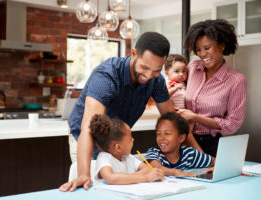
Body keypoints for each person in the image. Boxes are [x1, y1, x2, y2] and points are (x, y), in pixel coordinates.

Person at [60, 32, 175, 192]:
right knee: (92, 187)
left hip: (117, 140)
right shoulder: (107, 76)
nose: (149, 76)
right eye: (144, 67)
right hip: (87, 135)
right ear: (133, 53)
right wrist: (84, 174)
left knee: (118, 189)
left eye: (156, 71)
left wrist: (194, 157)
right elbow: (88, 127)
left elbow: (172, 119)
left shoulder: (156, 81)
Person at [178, 19, 247, 157]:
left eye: (207, 48)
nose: (202, 54)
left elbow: (233, 124)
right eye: (198, 49)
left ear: (222, 45)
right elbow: (178, 88)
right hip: (185, 139)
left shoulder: (236, 80)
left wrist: (196, 117)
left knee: (209, 177)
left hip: (213, 144)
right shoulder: (192, 67)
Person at [89, 114, 164, 184]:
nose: (133, 139)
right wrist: (145, 177)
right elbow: (111, 178)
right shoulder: (104, 157)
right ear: (118, 147)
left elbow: (147, 169)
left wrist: (129, 178)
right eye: (130, 138)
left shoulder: (127, 157)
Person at [145, 112, 214, 177]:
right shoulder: (154, 152)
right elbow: (155, 167)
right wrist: (174, 172)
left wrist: (215, 167)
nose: (161, 138)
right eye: (159, 134)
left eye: (167, 133)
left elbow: (214, 161)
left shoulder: (190, 154)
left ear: (181, 138)